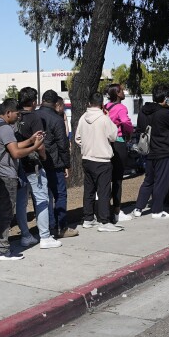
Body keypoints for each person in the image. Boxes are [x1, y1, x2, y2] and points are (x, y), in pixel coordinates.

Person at [0, 99, 44, 261]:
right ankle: (3, 250)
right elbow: (16, 153)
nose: (19, 117)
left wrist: (31, 139)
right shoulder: (5, 129)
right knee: (6, 213)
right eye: (17, 114)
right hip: (6, 175)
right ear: (8, 113)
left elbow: (14, 146)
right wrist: (35, 146)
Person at [14, 88, 62, 250]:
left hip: (17, 164)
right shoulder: (35, 118)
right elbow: (39, 143)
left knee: (21, 204)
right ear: (34, 102)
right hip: (33, 165)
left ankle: (26, 235)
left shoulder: (15, 116)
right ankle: (45, 236)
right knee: (41, 200)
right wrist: (44, 157)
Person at [131, 89, 169, 220]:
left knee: (148, 180)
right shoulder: (165, 112)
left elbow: (140, 127)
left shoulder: (144, 110)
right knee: (161, 181)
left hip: (148, 150)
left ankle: (138, 208)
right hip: (163, 150)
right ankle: (157, 210)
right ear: (166, 98)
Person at [74, 93, 123, 232]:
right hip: (102, 159)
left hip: (87, 158)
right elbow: (113, 136)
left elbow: (78, 138)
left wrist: (86, 146)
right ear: (102, 104)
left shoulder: (83, 117)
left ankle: (88, 218)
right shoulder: (104, 119)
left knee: (89, 190)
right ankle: (104, 220)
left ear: (89, 103)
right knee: (104, 191)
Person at [38, 90, 73, 239]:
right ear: (55, 103)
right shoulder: (56, 119)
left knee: (43, 198)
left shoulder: (35, 116)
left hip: (38, 162)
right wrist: (67, 164)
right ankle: (61, 227)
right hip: (55, 162)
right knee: (59, 195)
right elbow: (62, 145)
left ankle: (47, 226)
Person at [103, 84, 134, 224]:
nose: (124, 92)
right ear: (117, 93)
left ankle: (103, 210)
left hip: (105, 143)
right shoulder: (121, 107)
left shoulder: (106, 107)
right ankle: (116, 211)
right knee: (117, 179)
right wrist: (129, 132)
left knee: (106, 178)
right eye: (122, 90)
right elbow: (126, 122)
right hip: (118, 141)